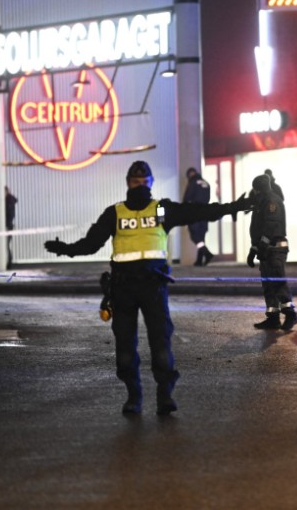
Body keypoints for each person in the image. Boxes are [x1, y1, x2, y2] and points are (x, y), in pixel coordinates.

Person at [44, 160, 250, 416]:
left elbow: (198, 211)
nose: (140, 186)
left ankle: (164, 394)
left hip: (153, 288)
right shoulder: (115, 213)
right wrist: (65, 249)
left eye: (145, 182)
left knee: (161, 346)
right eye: (135, 182)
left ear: (151, 183)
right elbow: (90, 244)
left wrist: (235, 207)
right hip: (123, 290)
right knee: (125, 352)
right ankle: (134, 395)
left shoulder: (161, 210)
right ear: (128, 184)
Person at [247, 173, 297, 331]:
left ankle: (290, 314)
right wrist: (254, 249)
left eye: (255, 190)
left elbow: (270, 226)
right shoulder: (262, 202)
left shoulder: (271, 202)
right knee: (268, 284)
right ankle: (273, 318)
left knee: (277, 282)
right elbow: (259, 229)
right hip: (267, 249)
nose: (254, 193)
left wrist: (261, 246)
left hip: (275, 249)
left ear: (258, 189)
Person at [182, 167, 214, 266]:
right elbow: (208, 198)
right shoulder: (206, 183)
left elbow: (187, 198)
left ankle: (207, 253)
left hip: (194, 212)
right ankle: (199, 260)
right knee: (201, 236)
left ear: (190, 174)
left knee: (194, 236)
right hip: (205, 212)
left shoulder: (193, 183)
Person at [5, 186, 18, 268]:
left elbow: (10, 214)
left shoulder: (9, 201)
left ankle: (9, 262)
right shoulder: (10, 201)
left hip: (8, 225)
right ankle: (9, 262)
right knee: (7, 244)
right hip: (8, 225)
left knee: (7, 244)